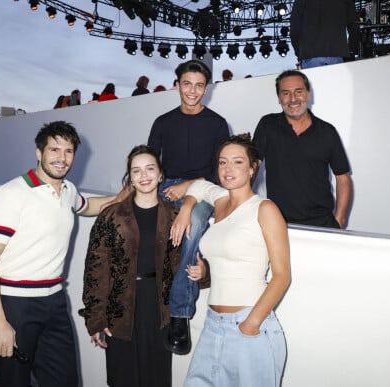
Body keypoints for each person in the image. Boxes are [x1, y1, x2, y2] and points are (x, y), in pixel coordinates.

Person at [0, 121, 116, 387]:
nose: (62, 158)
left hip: (54, 302)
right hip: (14, 305)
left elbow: (91, 206)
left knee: (64, 381)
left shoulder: (68, 191)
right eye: (54, 150)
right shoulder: (11, 194)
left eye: (69, 151)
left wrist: (128, 193)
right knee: (14, 383)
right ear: (39, 153)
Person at [79, 145, 208, 387]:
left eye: (150, 169)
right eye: (136, 171)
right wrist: (95, 320)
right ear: (130, 178)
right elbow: (95, 271)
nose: (144, 176)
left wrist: (204, 273)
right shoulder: (111, 216)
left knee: (156, 379)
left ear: (161, 174)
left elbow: (188, 263)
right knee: (122, 379)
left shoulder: (174, 217)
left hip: (159, 310)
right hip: (119, 311)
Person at [171, 133, 291, 387]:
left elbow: (282, 276)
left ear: (252, 167)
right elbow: (199, 186)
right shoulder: (221, 201)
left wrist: (251, 324)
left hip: (249, 326)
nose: (228, 168)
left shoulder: (265, 209)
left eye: (237, 162)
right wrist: (186, 208)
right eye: (223, 162)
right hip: (213, 324)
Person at [148, 59, 230, 355]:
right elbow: (151, 162)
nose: (192, 91)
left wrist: (188, 189)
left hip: (204, 187)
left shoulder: (218, 124)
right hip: (167, 185)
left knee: (192, 226)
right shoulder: (162, 122)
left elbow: (219, 171)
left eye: (199, 85)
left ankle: (180, 314)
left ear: (206, 88)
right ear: (177, 85)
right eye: (187, 84)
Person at [253, 70, 352, 228]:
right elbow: (252, 167)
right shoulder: (267, 125)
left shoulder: (327, 131)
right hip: (278, 223)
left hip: (322, 223)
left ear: (308, 94)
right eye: (286, 93)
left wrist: (339, 220)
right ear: (279, 98)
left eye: (298, 92)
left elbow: (343, 178)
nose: (293, 99)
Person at [290, 0, 359, 69]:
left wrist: (299, 54)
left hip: (310, 55)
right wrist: (351, 50)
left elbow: (294, 30)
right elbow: (354, 26)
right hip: (336, 53)